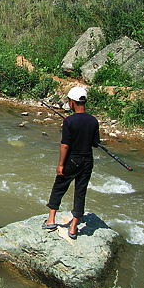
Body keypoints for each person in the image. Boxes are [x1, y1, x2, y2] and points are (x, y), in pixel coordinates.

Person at [42, 87, 100, 239]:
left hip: (72, 160)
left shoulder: (68, 121)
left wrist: (61, 164)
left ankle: (51, 220)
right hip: (87, 161)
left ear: (72, 102)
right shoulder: (93, 121)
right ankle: (73, 228)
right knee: (80, 192)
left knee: (59, 187)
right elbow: (95, 143)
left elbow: (65, 145)